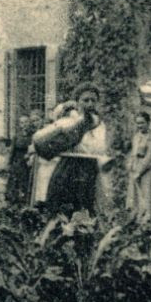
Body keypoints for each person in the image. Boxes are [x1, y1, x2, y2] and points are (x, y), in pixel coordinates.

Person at [44, 84, 114, 214]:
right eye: (85, 100)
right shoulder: (71, 118)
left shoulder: (99, 123)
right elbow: (56, 115)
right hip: (70, 165)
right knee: (65, 203)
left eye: (93, 100)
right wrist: (67, 108)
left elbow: (100, 146)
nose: (90, 104)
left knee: (88, 204)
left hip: (90, 165)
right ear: (77, 102)